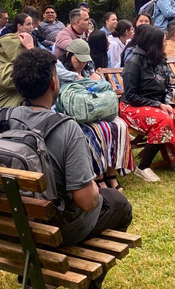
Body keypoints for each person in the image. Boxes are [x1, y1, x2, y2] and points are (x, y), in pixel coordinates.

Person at [11, 48, 133, 289]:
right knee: (119, 205)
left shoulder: (2, 120)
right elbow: (86, 201)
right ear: (55, 82)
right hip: (52, 231)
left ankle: (35, 288)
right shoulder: (66, 128)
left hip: (9, 226)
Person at [120, 25, 175, 182]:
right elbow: (131, 95)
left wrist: (167, 102)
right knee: (163, 120)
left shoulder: (160, 60)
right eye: (163, 41)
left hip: (159, 105)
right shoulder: (133, 63)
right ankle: (143, 167)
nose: (166, 43)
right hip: (132, 107)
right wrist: (158, 105)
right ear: (153, 43)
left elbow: (168, 86)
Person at [56, 39, 133, 190]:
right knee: (96, 132)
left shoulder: (88, 68)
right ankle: (98, 175)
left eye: (84, 61)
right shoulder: (59, 67)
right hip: (71, 113)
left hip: (93, 110)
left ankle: (111, 173)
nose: (82, 64)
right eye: (78, 60)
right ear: (68, 54)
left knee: (118, 126)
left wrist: (95, 79)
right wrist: (78, 77)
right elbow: (57, 73)